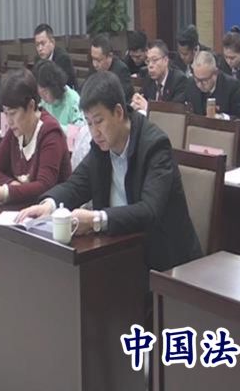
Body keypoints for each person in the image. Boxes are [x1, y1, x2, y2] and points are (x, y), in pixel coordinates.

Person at [16, 71, 202, 271]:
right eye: (89, 123)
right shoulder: (101, 147)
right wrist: (49, 205)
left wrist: (96, 220)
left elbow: (149, 211)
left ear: (119, 112)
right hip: (119, 250)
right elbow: (77, 184)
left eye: (99, 121)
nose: (94, 132)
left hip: (163, 261)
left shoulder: (154, 146)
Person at [0, 69, 71, 205]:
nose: (9, 121)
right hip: (22, 208)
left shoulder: (50, 132)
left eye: (13, 113)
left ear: (31, 106)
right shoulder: (16, 131)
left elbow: (44, 186)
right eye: (6, 113)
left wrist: (6, 192)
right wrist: (13, 186)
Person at [184, 50, 240, 121]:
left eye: (204, 80)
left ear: (215, 73)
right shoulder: (190, 83)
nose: (199, 84)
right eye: (197, 79)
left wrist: (223, 117)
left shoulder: (232, 86)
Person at [130, 40, 187, 113]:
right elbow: (142, 98)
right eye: (148, 61)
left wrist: (148, 107)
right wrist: (137, 100)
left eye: (154, 60)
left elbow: (174, 113)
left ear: (165, 60)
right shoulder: (149, 79)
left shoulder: (179, 80)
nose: (150, 66)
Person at [34, 59, 85, 128]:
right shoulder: (45, 102)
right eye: (41, 93)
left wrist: (53, 126)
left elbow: (80, 129)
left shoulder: (73, 101)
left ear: (54, 86)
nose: (43, 98)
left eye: (45, 92)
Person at [90, 34, 133, 102]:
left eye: (98, 60)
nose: (95, 64)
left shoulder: (121, 71)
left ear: (110, 56)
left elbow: (121, 98)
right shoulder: (94, 69)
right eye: (93, 59)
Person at [34, 23, 77, 90]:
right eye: (37, 45)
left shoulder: (63, 59)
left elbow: (64, 85)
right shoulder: (38, 59)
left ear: (52, 42)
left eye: (43, 43)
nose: (40, 48)